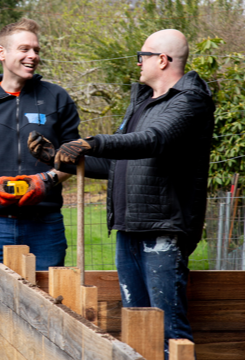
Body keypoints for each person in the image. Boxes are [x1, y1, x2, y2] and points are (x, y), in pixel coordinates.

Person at [29, 29, 215, 358]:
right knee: (136, 328)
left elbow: (155, 139)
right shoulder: (142, 103)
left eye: (142, 56)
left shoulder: (190, 100)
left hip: (163, 231)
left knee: (170, 333)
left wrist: (92, 141)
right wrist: (58, 157)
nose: (138, 62)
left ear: (162, 59)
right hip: (129, 229)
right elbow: (115, 163)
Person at [0, 18, 80, 359]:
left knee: (51, 314)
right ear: (2, 52)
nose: (33, 55)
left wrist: (45, 181)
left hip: (45, 225)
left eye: (36, 49)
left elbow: (73, 157)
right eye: (24, 48)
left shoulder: (57, 99)